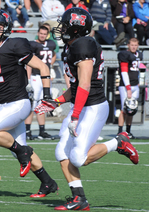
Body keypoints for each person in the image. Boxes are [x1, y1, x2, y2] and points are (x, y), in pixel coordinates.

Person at [40, 8, 139, 210]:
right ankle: (79, 199)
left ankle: (118, 142)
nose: (62, 28)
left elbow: (84, 85)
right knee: (62, 153)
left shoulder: (83, 45)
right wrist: (57, 101)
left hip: (93, 107)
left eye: (66, 25)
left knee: (78, 157)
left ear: (76, 29)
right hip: (82, 105)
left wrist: (75, 115)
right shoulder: (73, 45)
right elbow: (76, 87)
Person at [0, 9, 58, 198]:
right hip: (3, 105)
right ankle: (48, 183)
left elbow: (42, 66)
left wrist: (48, 95)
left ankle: (23, 151)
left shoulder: (16, 44)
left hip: (19, 102)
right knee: (16, 148)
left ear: (6, 27)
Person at [25, 25, 56, 140]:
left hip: (45, 77)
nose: (42, 36)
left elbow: (54, 55)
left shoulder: (51, 44)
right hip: (35, 77)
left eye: (44, 34)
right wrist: (27, 79)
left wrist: (50, 66)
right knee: (32, 103)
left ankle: (42, 131)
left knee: (43, 104)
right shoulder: (33, 44)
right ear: (38, 33)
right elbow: (28, 62)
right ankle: (27, 130)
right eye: (41, 33)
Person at [117, 38, 142, 139]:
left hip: (135, 85)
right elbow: (124, 72)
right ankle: (119, 132)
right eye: (132, 45)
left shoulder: (139, 54)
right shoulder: (125, 55)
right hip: (126, 86)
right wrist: (128, 88)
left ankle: (128, 132)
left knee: (132, 110)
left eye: (135, 45)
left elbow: (138, 69)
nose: (133, 47)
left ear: (138, 46)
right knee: (124, 109)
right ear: (128, 45)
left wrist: (138, 81)